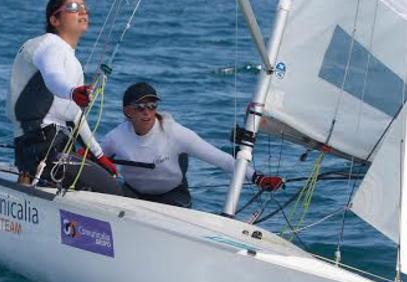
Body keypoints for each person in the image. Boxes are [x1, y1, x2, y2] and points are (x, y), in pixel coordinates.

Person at [7, 0, 120, 194]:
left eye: (85, 8)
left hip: (50, 148)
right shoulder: (49, 46)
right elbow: (53, 78)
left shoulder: (70, 59)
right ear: (55, 19)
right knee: (114, 191)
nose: (83, 12)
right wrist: (73, 91)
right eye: (74, 7)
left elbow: (73, 114)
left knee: (106, 179)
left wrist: (98, 154)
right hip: (42, 149)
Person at [101, 82, 284, 208]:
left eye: (152, 106)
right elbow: (95, 159)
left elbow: (222, 160)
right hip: (132, 195)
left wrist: (257, 178)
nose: (147, 112)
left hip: (172, 197)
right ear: (127, 112)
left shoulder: (175, 133)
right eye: (140, 107)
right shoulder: (116, 137)